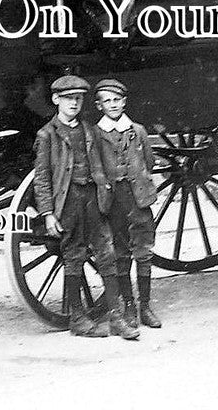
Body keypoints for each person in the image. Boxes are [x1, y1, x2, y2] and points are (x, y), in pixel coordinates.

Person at [32, 76, 136, 340]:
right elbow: (42, 177)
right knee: (74, 255)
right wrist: (47, 213)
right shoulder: (47, 135)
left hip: (92, 196)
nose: (74, 103)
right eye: (68, 99)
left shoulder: (89, 130)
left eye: (78, 99)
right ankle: (77, 318)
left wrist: (105, 192)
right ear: (56, 100)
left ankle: (116, 317)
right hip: (68, 201)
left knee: (106, 252)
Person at [93, 78, 159, 331]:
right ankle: (129, 305)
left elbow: (148, 162)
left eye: (116, 100)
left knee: (144, 251)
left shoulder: (138, 131)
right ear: (99, 105)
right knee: (121, 252)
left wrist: (138, 183)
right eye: (107, 101)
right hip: (115, 200)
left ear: (124, 102)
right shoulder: (97, 135)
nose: (112, 105)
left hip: (138, 197)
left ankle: (145, 307)